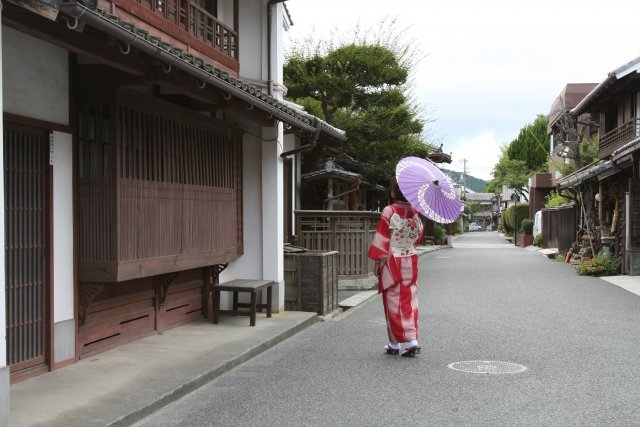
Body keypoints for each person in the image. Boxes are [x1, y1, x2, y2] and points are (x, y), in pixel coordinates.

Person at [368, 176, 424, 357]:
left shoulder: (389, 210)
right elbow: (418, 234)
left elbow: (383, 238)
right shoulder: (415, 211)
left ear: (393, 191)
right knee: (409, 300)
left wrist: (377, 261)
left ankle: (395, 343)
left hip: (393, 259)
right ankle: (411, 339)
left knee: (392, 301)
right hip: (410, 258)